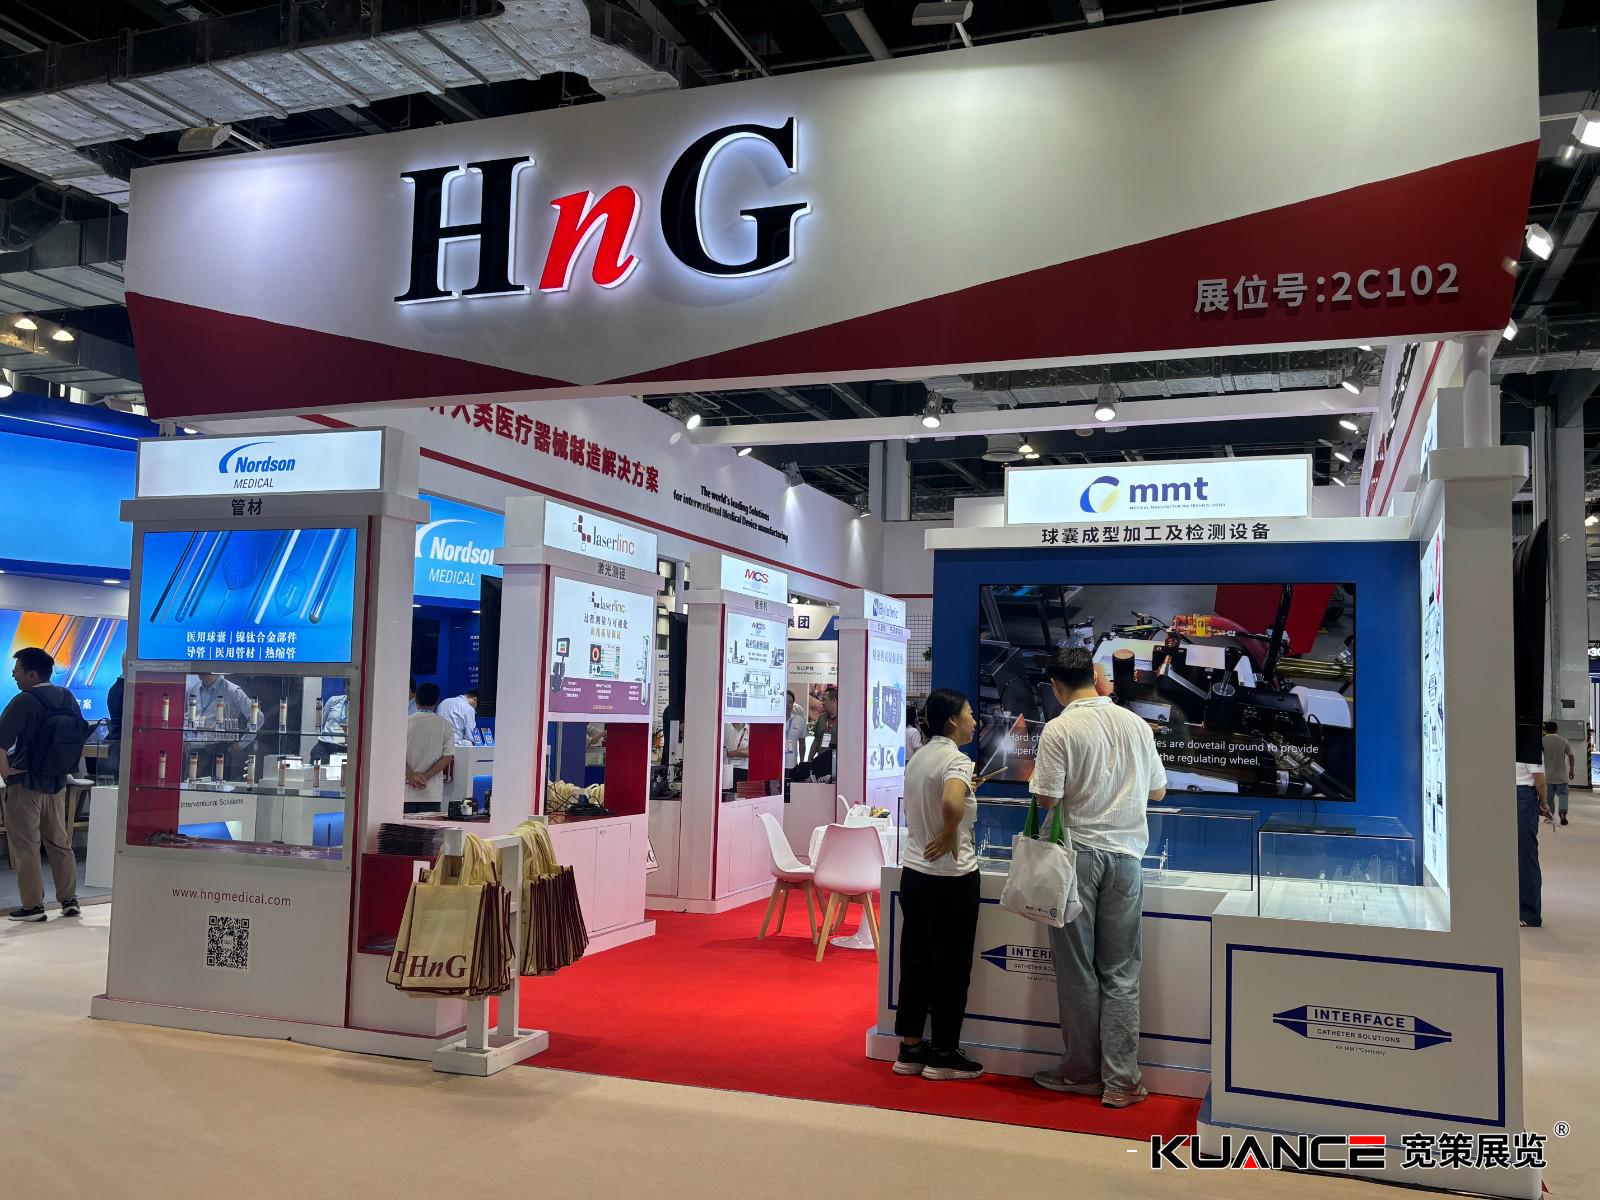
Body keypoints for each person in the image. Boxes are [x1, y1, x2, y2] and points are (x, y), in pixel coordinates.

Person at [1029, 647, 1167, 1109]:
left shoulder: (1060, 728)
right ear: (1094, 675)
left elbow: (1047, 799)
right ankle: (1122, 1080)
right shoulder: (1135, 724)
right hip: (1127, 858)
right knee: (1122, 971)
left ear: (1056, 686)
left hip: (1077, 858)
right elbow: (1158, 790)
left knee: (1077, 971)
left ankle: (1082, 1072)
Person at [893, 687, 987, 1083]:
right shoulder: (957, 759)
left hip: (915, 873)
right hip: (951, 878)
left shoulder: (920, 756)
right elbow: (949, 802)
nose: (974, 721)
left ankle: (911, 1049)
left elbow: (941, 796)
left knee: (915, 961)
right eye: (969, 713)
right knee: (951, 968)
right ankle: (944, 1054)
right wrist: (950, 831)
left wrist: (963, 796)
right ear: (952, 720)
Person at [0, 647, 83, 921]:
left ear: (32, 674)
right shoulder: (67, 696)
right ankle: (69, 900)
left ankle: (33, 906)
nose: (14, 675)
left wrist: (6, 773)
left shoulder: (24, 700)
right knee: (59, 842)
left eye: (17, 671)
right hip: (57, 783)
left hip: (26, 783)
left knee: (27, 846)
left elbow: (0, 742)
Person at [1516, 752, 1551, 928]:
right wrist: (1544, 802)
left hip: (1519, 795)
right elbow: (1540, 780)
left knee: (1522, 856)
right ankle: (1526, 912)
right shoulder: (1529, 742)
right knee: (1524, 856)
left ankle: (1528, 914)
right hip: (1522, 796)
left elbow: (1539, 780)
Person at [405, 683, 456, 806]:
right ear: (437, 701)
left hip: (406, 790)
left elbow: (396, 754)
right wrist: (425, 777)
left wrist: (411, 776)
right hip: (431, 792)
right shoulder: (445, 725)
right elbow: (448, 757)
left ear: (416, 699)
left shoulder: (405, 722)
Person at [1542, 721, 1574, 826]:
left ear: (1545, 730)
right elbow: (1571, 755)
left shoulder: (1542, 741)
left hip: (1548, 776)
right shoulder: (1563, 740)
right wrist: (1571, 769)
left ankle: (1550, 817)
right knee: (1563, 795)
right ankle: (1563, 812)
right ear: (1556, 729)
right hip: (1561, 776)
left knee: (1549, 798)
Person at [308, 693, 348, 765]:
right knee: (315, 770)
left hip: (344, 749)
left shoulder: (360, 706)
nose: (348, 689)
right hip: (324, 747)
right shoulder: (333, 700)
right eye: (346, 687)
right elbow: (322, 722)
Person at [784, 690, 807, 772]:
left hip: (792, 764)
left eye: (790, 702)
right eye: (785, 701)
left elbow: (802, 743)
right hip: (775, 763)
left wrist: (802, 762)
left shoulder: (799, 721)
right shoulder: (774, 721)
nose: (788, 704)